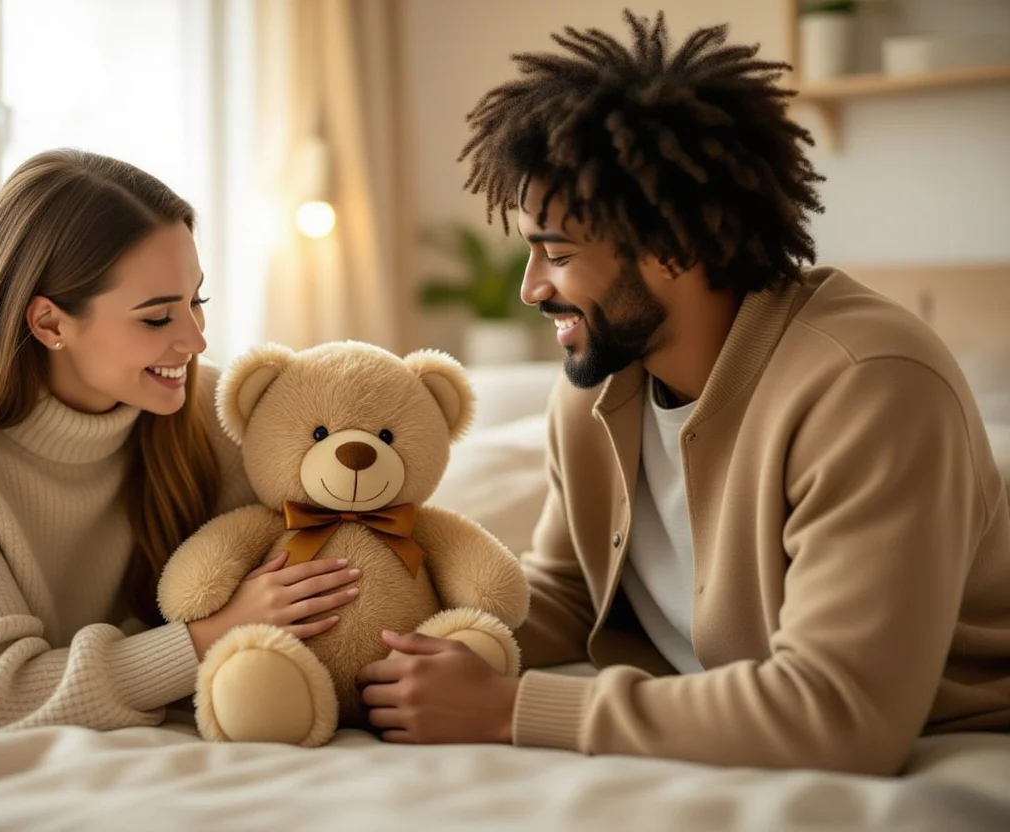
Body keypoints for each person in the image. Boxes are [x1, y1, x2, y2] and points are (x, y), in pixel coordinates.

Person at [358, 11, 1010, 774]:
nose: (533, 288)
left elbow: (842, 714)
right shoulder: (600, 382)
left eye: (557, 254)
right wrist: (407, 642)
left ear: (674, 248)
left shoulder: (872, 387)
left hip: (946, 735)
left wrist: (508, 710)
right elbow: (570, 594)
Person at [0, 149, 362, 735]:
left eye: (196, 302)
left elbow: (350, 554)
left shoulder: (206, 406)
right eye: (157, 318)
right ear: (50, 323)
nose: (195, 340)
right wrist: (207, 637)